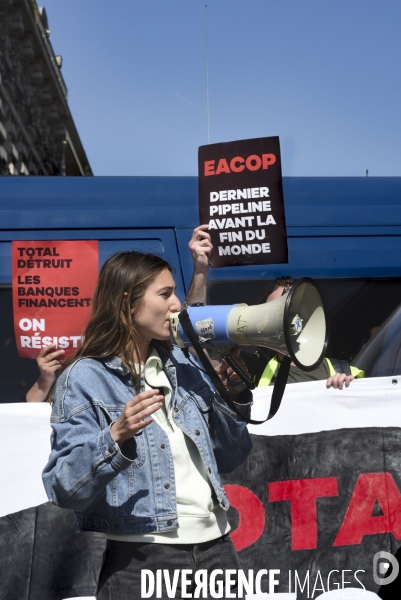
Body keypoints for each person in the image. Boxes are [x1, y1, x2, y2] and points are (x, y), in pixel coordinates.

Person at [42, 250, 252, 600]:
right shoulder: (85, 377)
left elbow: (232, 458)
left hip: (218, 553)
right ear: (127, 301)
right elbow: (63, 486)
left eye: (176, 292)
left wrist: (228, 397)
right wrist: (115, 436)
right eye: (165, 293)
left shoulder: (186, 362)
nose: (177, 304)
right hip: (144, 562)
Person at [243, 277, 365, 390]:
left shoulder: (347, 371)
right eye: (274, 310)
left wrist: (351, 389)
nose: (284, 317)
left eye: (291, 309)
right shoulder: (253, 367)